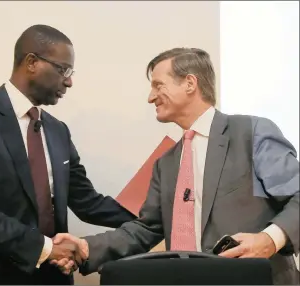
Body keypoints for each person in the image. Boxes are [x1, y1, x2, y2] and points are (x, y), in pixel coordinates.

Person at [53, 47, 300, 285]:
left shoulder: (251, 132)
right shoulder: (165, 163)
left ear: (190, 83)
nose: (151, 97)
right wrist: (85, 248)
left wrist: (270, 239)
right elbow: (146, 228)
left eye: (158, 85)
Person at [0, 24, 136, 285]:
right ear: (32, 62)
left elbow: (87, 202)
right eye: (64, 70)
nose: (69, 81)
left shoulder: (58, 131)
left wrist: (152, 218)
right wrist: (45, 248)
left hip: (48, 278)